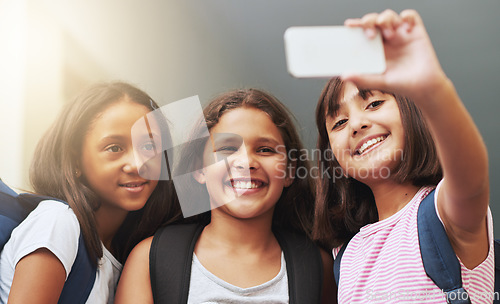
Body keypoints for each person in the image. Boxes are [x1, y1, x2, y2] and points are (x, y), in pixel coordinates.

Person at [312, 9, 492, 303]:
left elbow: (470, 180)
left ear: (412, 115)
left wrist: (433, 88)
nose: (357, 124)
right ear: (333, 158)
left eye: (374, 104)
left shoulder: (444, 212)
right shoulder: (344, 256)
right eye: (339, 122)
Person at [115, 88, 336, 303]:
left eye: (265, 149)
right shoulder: (150, 258)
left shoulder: (318, 267)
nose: (247, 162)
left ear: (289, 171)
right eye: (228, 149)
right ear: (199, 170)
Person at [0, 82, 181, 303]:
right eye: (114, 148)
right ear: (75, 160)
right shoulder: (58, 222)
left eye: (148, 147)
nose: (137, 164)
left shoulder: (124, 253)